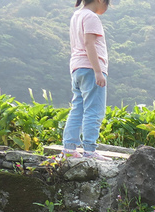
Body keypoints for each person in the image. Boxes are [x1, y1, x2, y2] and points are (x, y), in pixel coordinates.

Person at [61, 0, 111, 159]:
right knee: (94, 110)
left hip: (77, 68)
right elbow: (89, 43)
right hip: (91, 68)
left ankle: (69, 149)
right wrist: (98, 71)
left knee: (78, 108)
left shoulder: (77, 15)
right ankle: (89, 150)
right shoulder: (91, 17)